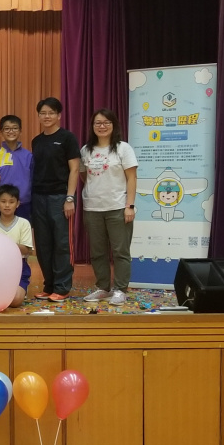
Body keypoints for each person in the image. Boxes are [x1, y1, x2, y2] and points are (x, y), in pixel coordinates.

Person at [79, 109, 137, 306]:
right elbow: (84, 176)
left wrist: (130, 205)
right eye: (98, 123)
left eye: (106, 122)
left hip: (118, 207)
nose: (102, 126)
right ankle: (103, 288)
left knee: (121, 251)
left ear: (114, 125)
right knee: (98, 252)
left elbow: (132, 178)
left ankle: (120, 289)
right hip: (92, 208)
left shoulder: (123, 148)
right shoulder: (85, 150)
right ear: (92, 126)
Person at [31, 97, 81, 303]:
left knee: (62, 243)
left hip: (60, 197)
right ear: (38, 116)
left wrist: (70, 198)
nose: (47, 116)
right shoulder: (36, 141)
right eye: (43, 113)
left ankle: (62, 287)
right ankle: (49, 286)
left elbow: (74, 169)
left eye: (51, 112)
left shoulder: (67, 138)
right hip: (38, 197)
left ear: (59, 115)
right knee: (43, 244)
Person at [0, 185, 33, 308]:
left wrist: (6, 244)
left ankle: (21, 290)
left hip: (18, 267)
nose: (7, 205)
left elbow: (27, 250)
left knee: (15, 301)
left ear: (17, 204)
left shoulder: (24, 223)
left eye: (11, 202)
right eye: (3, 201)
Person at [0, 116, 34, 221]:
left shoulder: (28, 155)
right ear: (1, 133)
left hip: (24, 204)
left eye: (15, 128)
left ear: (20, 132)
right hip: (1, 205)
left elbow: (33, 180)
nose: (11, 131)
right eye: (7, 128)